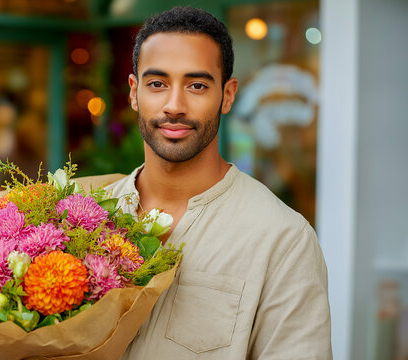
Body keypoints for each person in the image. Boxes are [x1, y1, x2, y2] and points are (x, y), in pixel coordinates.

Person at [105, 6, 332, 360]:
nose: (174, 105)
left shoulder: (282, 239)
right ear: (134, 92)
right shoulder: (86, 217)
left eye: (196, 85)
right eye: (157, 84)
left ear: (227, 95)